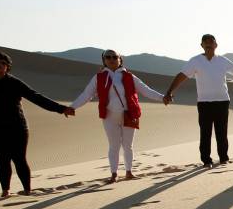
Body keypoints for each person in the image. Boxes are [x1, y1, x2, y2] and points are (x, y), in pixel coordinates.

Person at [0, 50, 74, 197]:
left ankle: (27, 190)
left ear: (7, 67)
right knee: (2, 159)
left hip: (17, 126)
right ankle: (5, 191)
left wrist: (61, 109)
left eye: (3, 63)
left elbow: (36, 97)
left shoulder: (14, 83)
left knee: (19, 158)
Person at [163, 34, 233, 167]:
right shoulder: (195, 61)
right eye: (205, 43)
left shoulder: (222, 61)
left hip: (222, 101)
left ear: (216, 45)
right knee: (205, 132)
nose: (208, 45)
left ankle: (224, 158)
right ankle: (206, 160)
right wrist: (169, 91)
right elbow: (182, 76)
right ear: (201, 45)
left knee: (221, 132)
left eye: (211, 42)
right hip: (204, 102)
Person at [67, 50, 165, 182]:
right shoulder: (99, 77)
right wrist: (72, 107)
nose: (111, 59)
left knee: (128, 145)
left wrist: (162, 98)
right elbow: (86, 94)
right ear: (104, 60)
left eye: (114, 57)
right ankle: (114, 174)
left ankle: (129, 172)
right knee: (114, 145)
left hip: (129, 115)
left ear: (120, 59)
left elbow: (145, 90)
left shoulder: (129, 76)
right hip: (109, 116)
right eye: (108, 57)